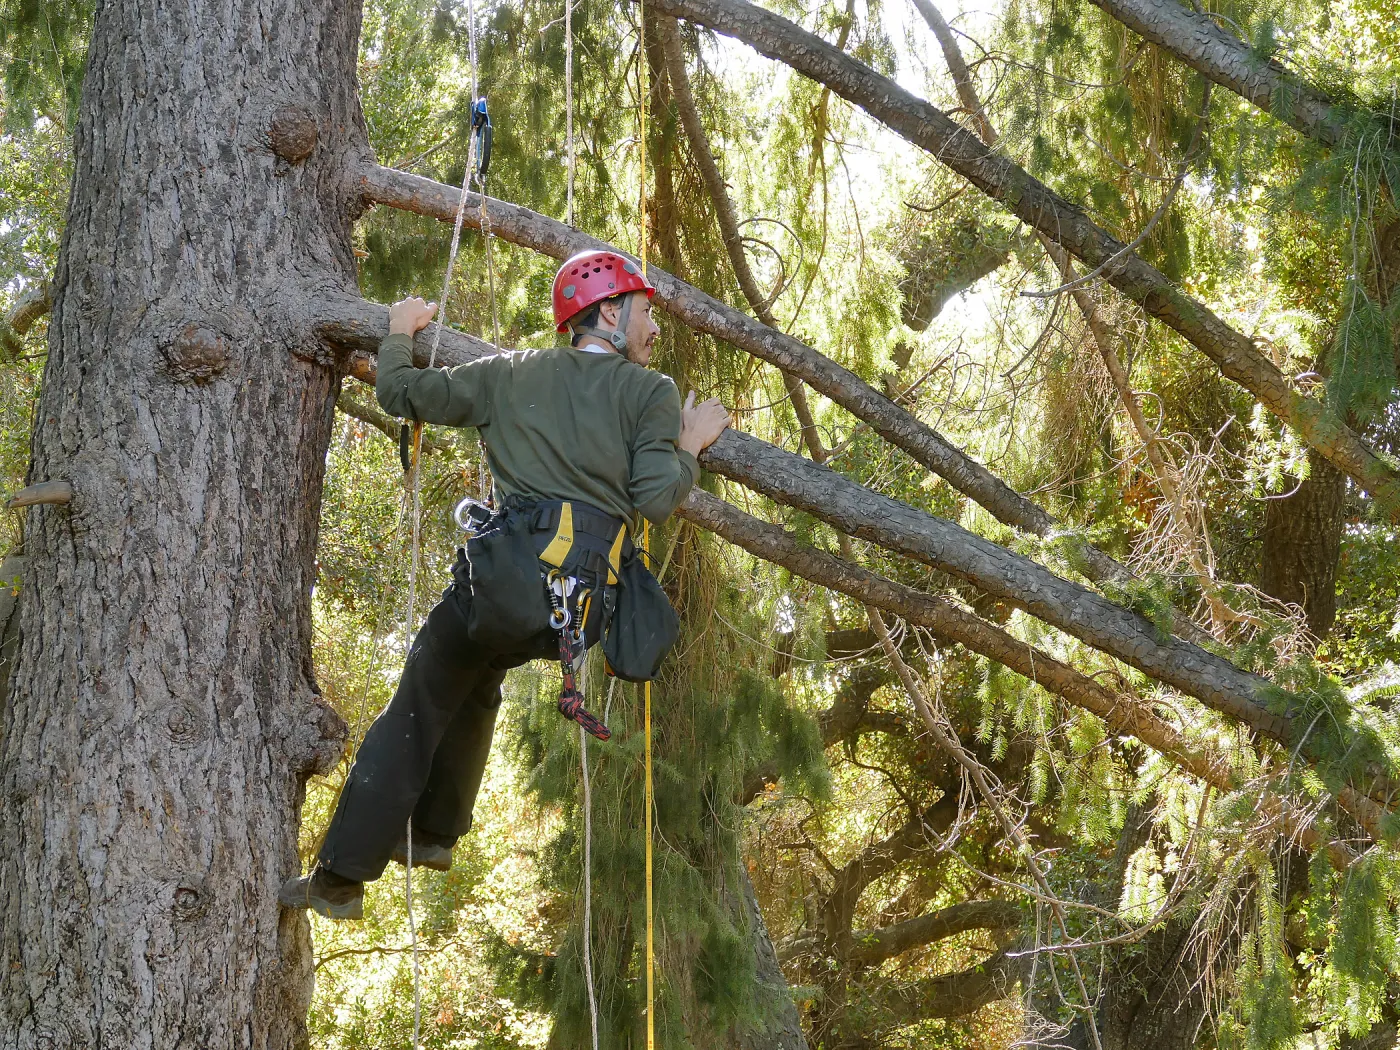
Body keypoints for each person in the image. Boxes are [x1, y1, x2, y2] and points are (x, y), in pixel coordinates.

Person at [280, 250, 731, 919]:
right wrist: (690, 447)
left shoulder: (509, 374)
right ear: (609, 311)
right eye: (646, 313)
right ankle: (434, 834)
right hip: (578, 610)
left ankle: (340, 878)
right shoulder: (650, 394)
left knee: (421, 703)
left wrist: (400, 331)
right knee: (480, 677)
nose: (655, 331)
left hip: (501, 587)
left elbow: (401, 393)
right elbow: (657, 498)